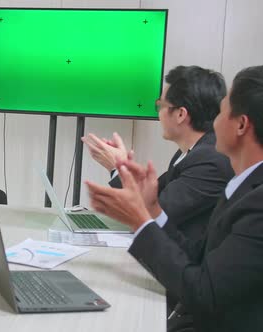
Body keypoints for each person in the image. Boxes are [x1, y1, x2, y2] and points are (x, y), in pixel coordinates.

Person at [86, 66, 263, 332]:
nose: (214, 121)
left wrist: (141, 220)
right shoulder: (243, 186)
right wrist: (152, 210)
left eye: (222, 110)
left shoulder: (256, 202)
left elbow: (204, 293)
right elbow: (198, 256)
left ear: (241, 124)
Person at [82, 66, 233, 242]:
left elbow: (152, 212)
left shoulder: (210, 160)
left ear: (180, 114)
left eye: (160, 106)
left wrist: (119, 167)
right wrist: (121, 166)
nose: (159, 114)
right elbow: (152, 196)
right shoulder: (191, 152)